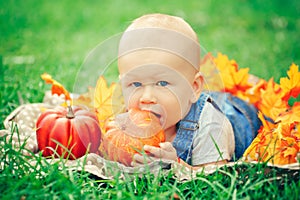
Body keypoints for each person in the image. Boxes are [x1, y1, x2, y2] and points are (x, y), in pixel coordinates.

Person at [111, 13, 261, 169]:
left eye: (162, 83)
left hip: (239, 116)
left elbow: (214, 173)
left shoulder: (210, 124)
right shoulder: (125, 122)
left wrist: (175, 165)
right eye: (135, 84)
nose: (146, 97)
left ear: (193, 87)